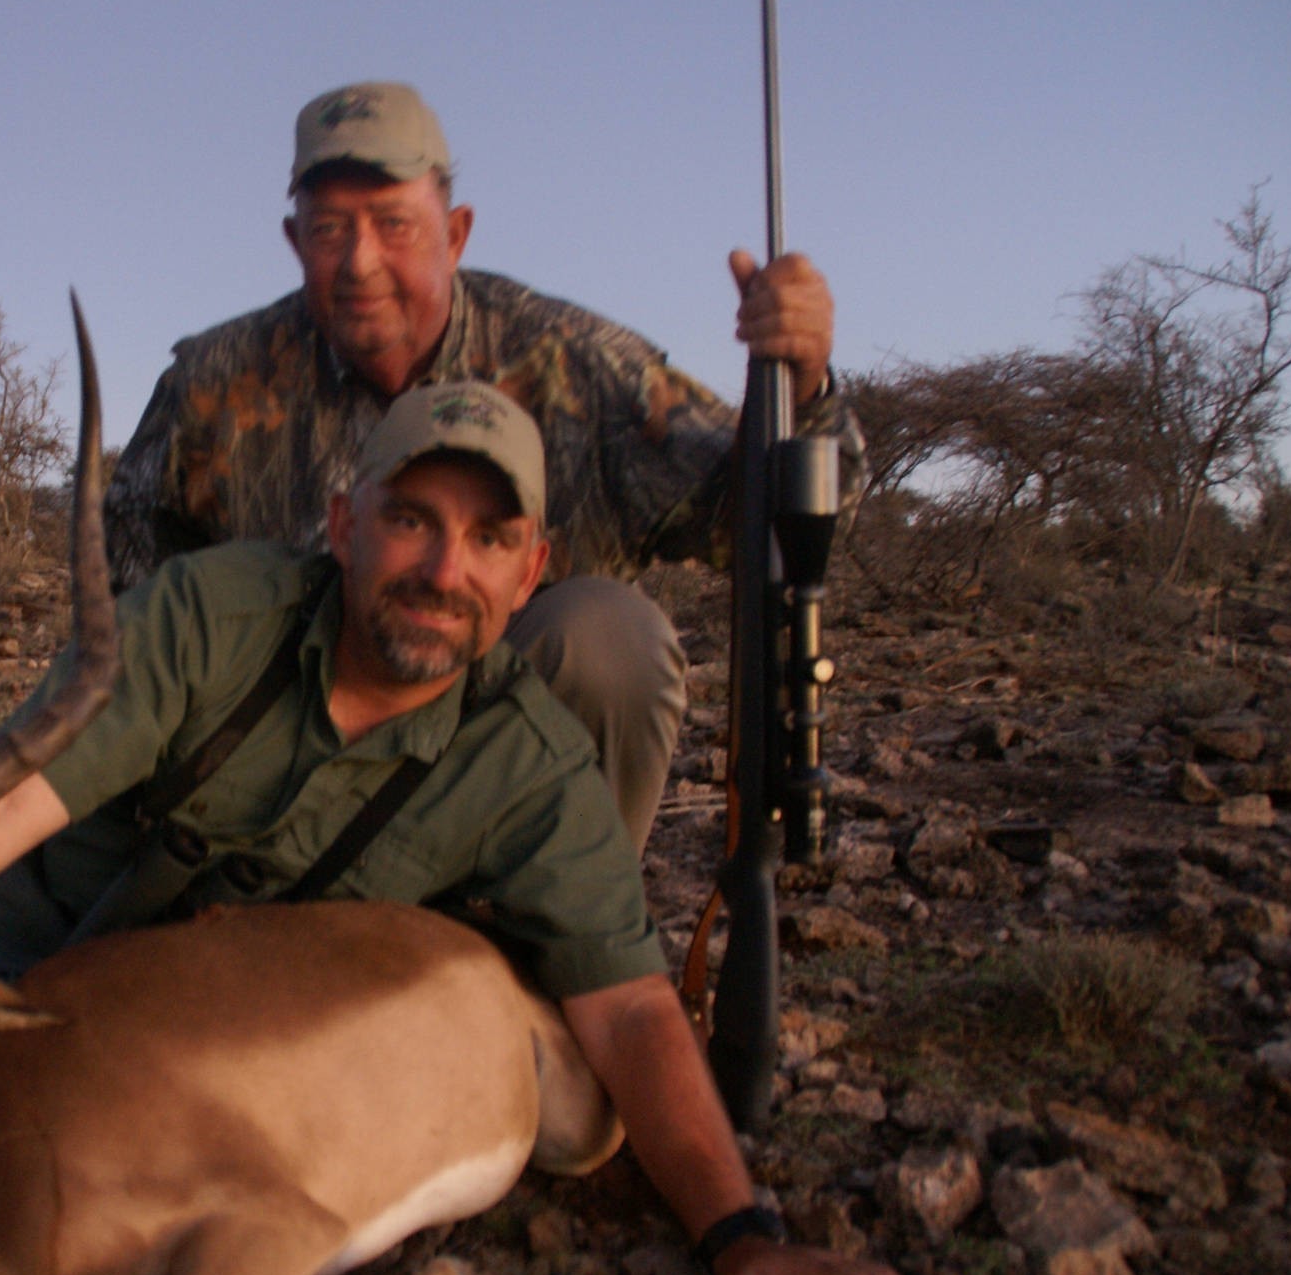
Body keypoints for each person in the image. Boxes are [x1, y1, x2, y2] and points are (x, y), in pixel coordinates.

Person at [0, 380, 921, 1275]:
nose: (439, 566)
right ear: (343, 523)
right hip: (63, 907)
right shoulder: (212, 616)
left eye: (483, 539)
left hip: (221, 1000)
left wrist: (739, 1230)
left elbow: (630, 1005)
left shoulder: (529, 761)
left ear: (531, 572)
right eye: (409, 520)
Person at [104, 80, 862, 849]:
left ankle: (558, 941)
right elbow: (123, 613)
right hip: (276, 781)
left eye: (394, 223)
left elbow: (761, 528)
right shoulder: (209, 382)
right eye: (330, 229)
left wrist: (801, 389)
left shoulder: (578, 362)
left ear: (457, 233)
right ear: (296, 243)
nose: (360, 262)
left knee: (611, 641)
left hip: (492, 765)